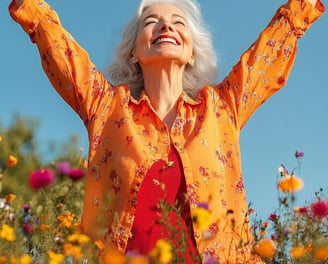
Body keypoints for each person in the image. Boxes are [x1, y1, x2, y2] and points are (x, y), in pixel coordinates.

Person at [9, 0, 324, 263]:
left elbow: (267, 56)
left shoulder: (222, 108)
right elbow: (60, 50)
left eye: (178, 22)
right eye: (151, 21)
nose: (165, 26)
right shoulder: (107, 108)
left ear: (192, 52)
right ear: (134, 52)